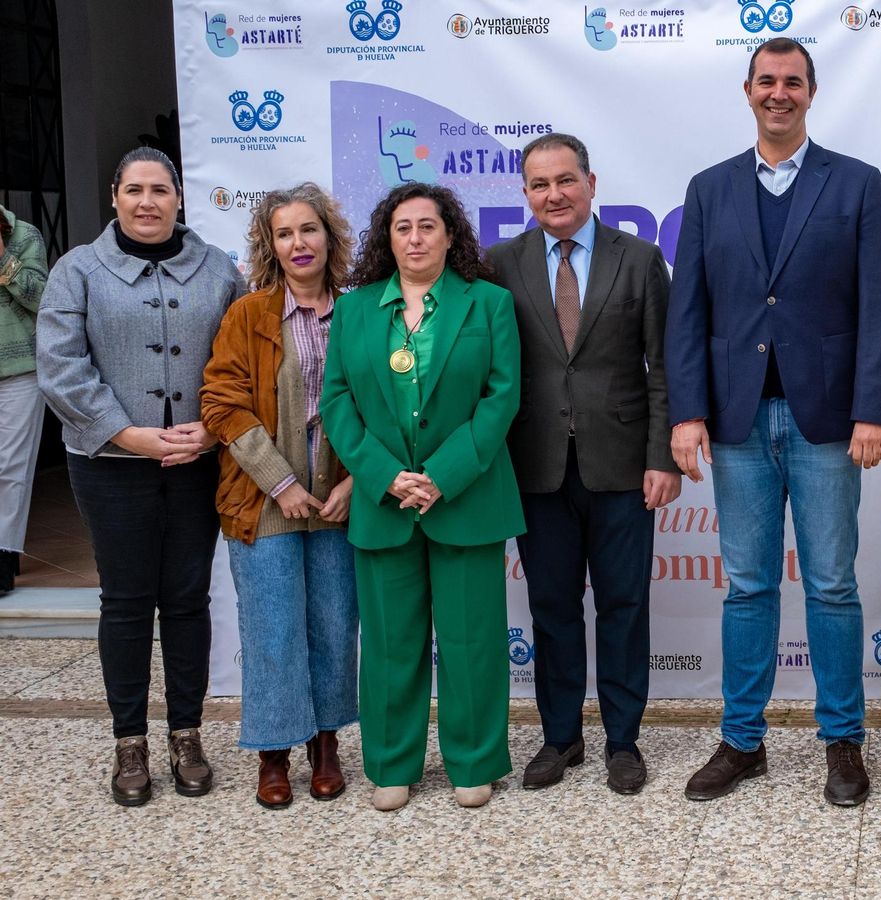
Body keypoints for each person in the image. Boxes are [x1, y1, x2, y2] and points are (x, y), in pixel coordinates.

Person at [666, 37, 881, 806]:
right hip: (737, 422)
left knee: (834, 586)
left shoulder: (858, 185)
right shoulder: (709, 189)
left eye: (792, 82)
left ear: (812, 91)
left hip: (829, 420)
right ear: (747, 92)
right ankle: (743, 743)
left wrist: (874, 408)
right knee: (747, 586)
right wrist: (687, 413)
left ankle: (843, 741)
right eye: (766, 81)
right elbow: (690, 312)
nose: (779, 93)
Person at [37, 146, 247, 806]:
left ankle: (187, 733)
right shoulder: (77, 272)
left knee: (187, 597)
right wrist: (125, 433)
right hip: (107, 465)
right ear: (114, 196)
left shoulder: (218, 271)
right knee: (126, 601)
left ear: (180, 198)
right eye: (135, 189)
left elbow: (241, 361)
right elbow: (61, 367)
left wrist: (213, 429)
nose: (147, 201)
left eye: (160, 189)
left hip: (197, 464)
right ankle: (130, 741)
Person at [486, 133, 679, 796]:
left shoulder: (641, 259)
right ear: (525, 194)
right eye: (540, 185)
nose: (554, 195)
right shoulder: (500, 264)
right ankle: (561, 737)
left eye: (565, 180)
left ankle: (623, 741)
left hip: (624, 467)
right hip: (535, 466)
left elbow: (664, 368)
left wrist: (663, 457)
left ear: (591, 184)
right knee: (552, 606)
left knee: (624, 604)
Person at [320, 182, 523, 811]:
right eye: (402, 227)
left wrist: (444, 473)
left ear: (450, 235)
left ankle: (474, 760)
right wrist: (382, 475)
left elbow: (502, 397)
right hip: (385, 505)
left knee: (472, 641)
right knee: (389, 643)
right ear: (387, 238)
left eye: (427, 226)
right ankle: (391, 765)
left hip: (465, 498)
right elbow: (337, 403)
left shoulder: (488, 304)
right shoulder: (353, 311)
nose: (415, 238)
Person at [200, 183, 359, 809]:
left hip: (339, 504)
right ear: (270, 244)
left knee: (334, 625)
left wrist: (354, 482)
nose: (299, 243)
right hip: (264, 501)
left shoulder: (358, 311)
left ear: (329, 237)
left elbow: (381, 409)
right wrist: (282, 483)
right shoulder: (249, 314)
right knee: (272, 629)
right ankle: (274, 753)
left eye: (309, 230)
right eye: (285, 233)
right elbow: (223, 403)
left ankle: (325, 745)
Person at [0, 204, 49, 595]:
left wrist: (3, 257)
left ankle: (2, 556)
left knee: (11, 467)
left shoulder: (24, 235)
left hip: (19, 369)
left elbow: (41, 300)